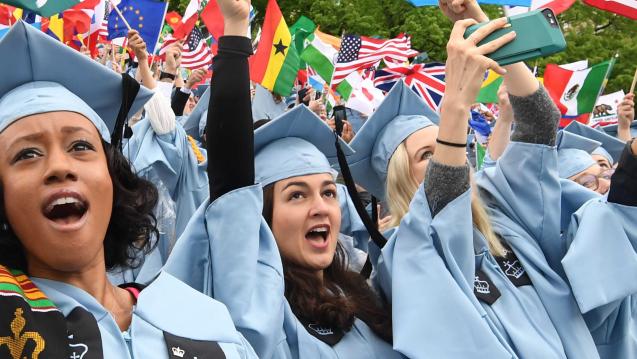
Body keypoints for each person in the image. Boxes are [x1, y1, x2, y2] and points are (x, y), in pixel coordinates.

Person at [0, 20, 256, 358]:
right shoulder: (12, 328)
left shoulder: (202, 317)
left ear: (112, 178)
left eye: (80, 146)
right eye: (27, 154)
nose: (60, 166)